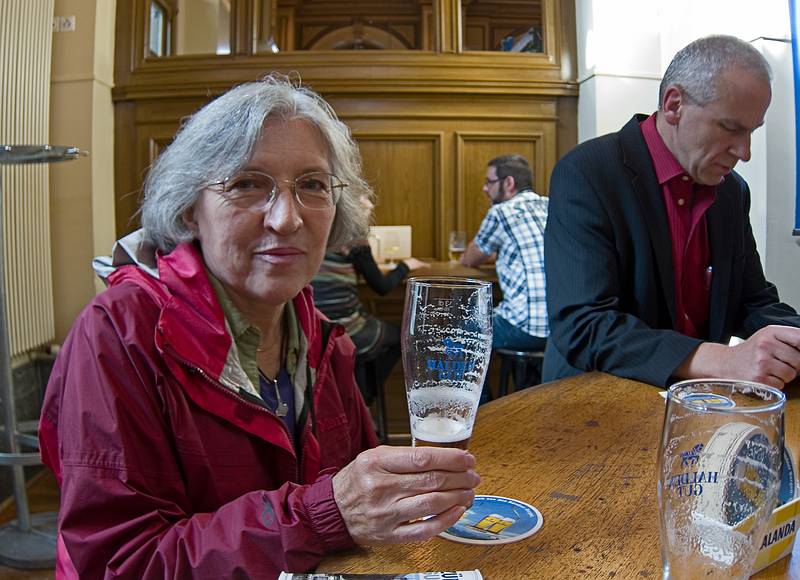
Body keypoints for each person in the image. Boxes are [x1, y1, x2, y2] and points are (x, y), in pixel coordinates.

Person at [38, 76, 480, 578]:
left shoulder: (321, 336)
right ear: (189, 208)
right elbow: (120, 564)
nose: (286, 218)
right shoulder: (117, 333)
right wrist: (321, 516)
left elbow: (359, 510)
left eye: (312, 185)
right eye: (247, 183)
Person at [544, 35, 800, 389]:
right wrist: (724, 360)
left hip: (696, 405)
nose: (745, 152)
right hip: (597, 402)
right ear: (674, 105)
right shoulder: (588, 171)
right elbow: (584, 325)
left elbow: (753, 301)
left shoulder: (733, 191)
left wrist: (791, 340)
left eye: (752, 132)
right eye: (731, 128)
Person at [312, 213, 428, 407]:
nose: (370, 206)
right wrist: (405, 266)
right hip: (346, 329)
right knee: (405, 336)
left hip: (313, 328)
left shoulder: (310, 228)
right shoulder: (353, 232)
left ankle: (357, 398)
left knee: (363, 343)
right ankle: (364, 400)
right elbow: (382, 287)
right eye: (366, 199)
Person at [461, 154, 549, 353]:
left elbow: (470, 258)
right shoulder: (549, 205)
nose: (485, 188)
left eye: (489, 182)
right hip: (561, 327)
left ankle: (479, 385)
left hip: (527, 327)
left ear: (509, 182)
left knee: (458, 332)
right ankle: (532, 382)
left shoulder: (501, 212)